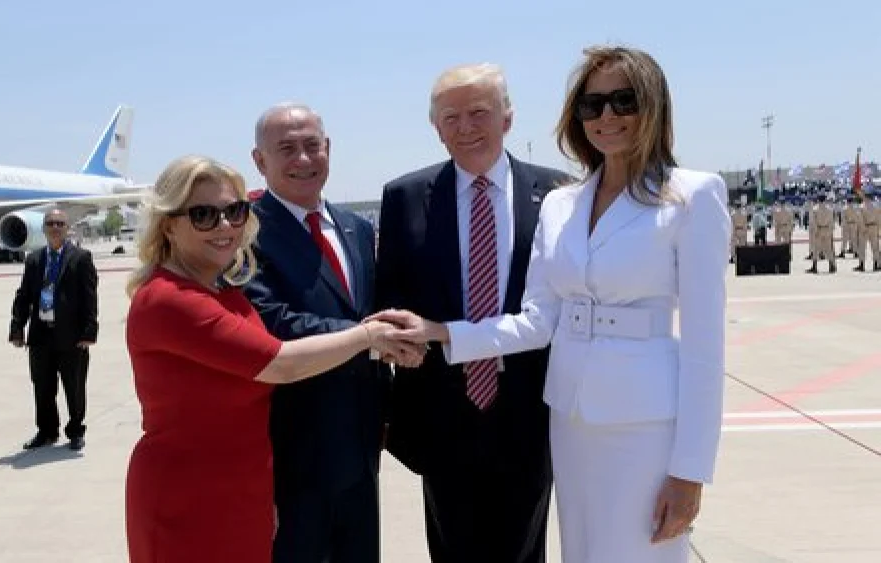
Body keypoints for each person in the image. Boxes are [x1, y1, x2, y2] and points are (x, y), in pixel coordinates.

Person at [373, 46, 730, 562]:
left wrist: (690, 470)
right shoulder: (564, 202)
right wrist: (443, 333)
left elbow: (704, 349)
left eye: (623, 101)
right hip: (569, 417)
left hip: (644, 423)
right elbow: (539, 320)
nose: (606, 116)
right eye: (592, 104)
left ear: (652, 105)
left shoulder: (693, 195)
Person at [123, 155, 420, 563]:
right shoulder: (169, 300)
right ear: (168, 224)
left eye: (235, 211)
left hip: (245, 486)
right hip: (190, 494)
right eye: (203, 215)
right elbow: (280, 363)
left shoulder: (224, 292)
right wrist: (369, 335)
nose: (224, 226)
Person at [375, 63, 570, 563]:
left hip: (530, 413)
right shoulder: (404, 198)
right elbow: (390, 298)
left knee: (525, 551)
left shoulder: (558, 194)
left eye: (479, 112)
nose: (465, 127)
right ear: (436, 127)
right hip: (443, 417)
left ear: (508, 117)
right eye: (451, 117)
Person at [244, 103, 397, 563]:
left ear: (328, 148)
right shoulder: (244, 234)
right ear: (260, 161)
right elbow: (273, 323)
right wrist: (369, 335)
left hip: (362, 446)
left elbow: (371, 309)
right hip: (292, 451)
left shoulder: (356, 228)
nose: (303, 159)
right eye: (287, 149)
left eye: (313, 146)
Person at [9, 209, 98, 451]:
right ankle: (46, 431)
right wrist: (17, 327)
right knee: (42, 387)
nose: (55, 227)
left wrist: (89, 331)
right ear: (44, 228)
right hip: (41, 334)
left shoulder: (81, 258)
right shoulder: (34, 260)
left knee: (74, 386)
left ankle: (75, 430)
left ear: (67, 228)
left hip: (72, 335)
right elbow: (24, 296)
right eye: (50, 223)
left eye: (60, 223)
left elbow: (89, 297)